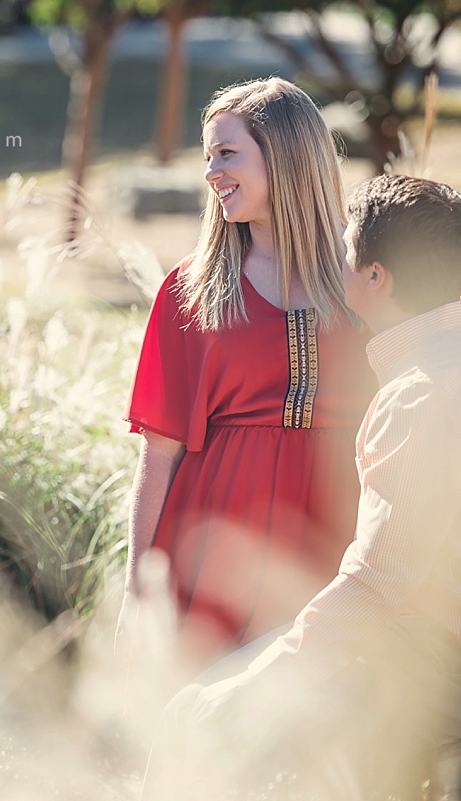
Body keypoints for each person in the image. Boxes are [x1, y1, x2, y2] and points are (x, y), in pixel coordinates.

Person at [140, 174, 461, 800]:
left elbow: (381, 581)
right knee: (209, 705)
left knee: (210, 717)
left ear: (376, 277)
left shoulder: (426, 392)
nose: (336, 260)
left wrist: (253, 686)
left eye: (347, 248)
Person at [117, 77, 377, 668]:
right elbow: (159, 455)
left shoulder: (368, 277)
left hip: (337, 539)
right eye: (208, 156)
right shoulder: (192, 289)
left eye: (227, 154)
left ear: (285, 155)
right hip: (214, 544)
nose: (211, 172)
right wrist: (138, 592)